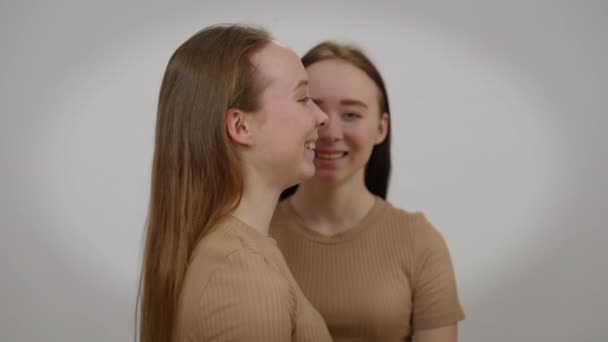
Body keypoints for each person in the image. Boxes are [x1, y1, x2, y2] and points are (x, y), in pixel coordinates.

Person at [138, 25, 331, 342]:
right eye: (303, 98)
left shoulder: (238, 256)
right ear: (241, 126)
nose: (321, 116)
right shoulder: (241, 275)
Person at [271, 41, 465, 341]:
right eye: (314, 108)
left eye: (351, 114)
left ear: (381, 128)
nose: (331, 132)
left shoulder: (419, 241)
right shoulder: (251, 236)